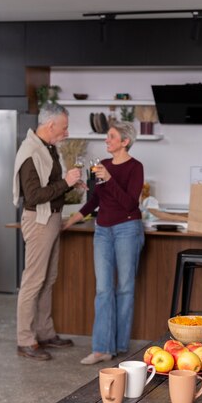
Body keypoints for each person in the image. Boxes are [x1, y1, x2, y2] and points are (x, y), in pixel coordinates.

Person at [63, 121, 145, 365]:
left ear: (124, 141)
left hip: (127, 230)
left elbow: (130, 204)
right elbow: (93, 203)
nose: (106, 140)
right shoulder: (103, 166)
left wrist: (109, 179)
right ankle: (101, 348)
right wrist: (69, 221)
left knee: (125, 289)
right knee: (103, 289)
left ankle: (118, 346)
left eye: (111, 137)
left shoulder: (135, 167)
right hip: (102, 231)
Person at [12, 102, 82, 361]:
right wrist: (66, 183)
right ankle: (25, 340)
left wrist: (71, 185)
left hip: (52, 220)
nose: (66, 132)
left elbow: (51, 186)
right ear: (50, 125)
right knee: (32, 281)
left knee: (48, 279)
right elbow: (33, 196)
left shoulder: (48, 148)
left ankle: (44, 333)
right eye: (64, 127)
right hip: (39, 221)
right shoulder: (30, 151)